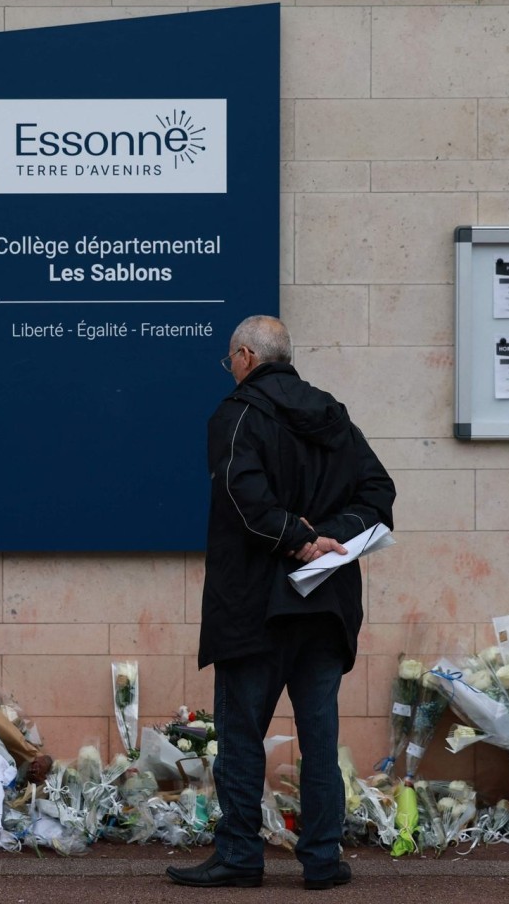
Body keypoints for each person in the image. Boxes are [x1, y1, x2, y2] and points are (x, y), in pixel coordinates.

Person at [167, 315, 395, 890]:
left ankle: (241, 856)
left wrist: (299, 536)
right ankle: (322, 860)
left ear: (245, 356)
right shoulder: (333, 414)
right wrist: (332, 535)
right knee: (319, 739)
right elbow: (379, 492)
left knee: (241, 737)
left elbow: (242, 499)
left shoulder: (236, 414)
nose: (232, 369)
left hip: (254, 606)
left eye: (232, 360)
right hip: (325, 605)